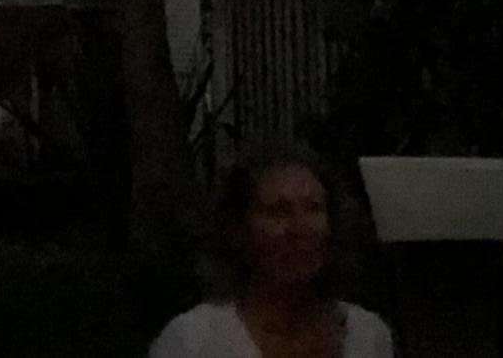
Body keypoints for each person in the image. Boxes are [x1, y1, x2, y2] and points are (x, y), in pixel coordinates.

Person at [149, 147, 394, 358]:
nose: (300, 227)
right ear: (237, 231)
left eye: (313, 208)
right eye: (278, 211)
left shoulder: (368, 335)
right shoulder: (193, 341)